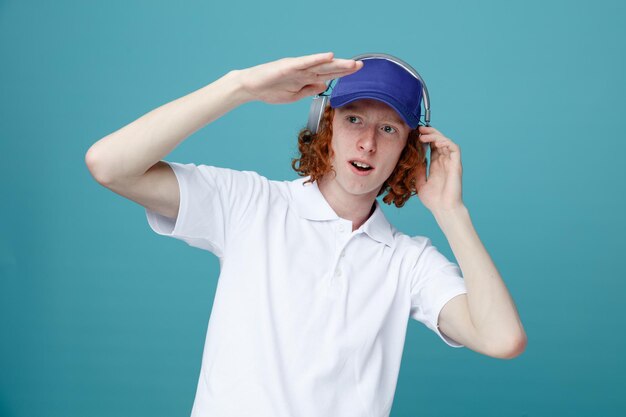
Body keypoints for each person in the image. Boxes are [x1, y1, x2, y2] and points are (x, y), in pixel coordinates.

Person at [85, 52, 527, 417]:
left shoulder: (408, 261)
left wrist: (451, 212)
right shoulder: (251, 203)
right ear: (325, 125)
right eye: (354, 119)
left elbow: (501, 339)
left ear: (409, 152)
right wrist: (239, 87)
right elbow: (108, 164)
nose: (368, 143)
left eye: (389, 129)